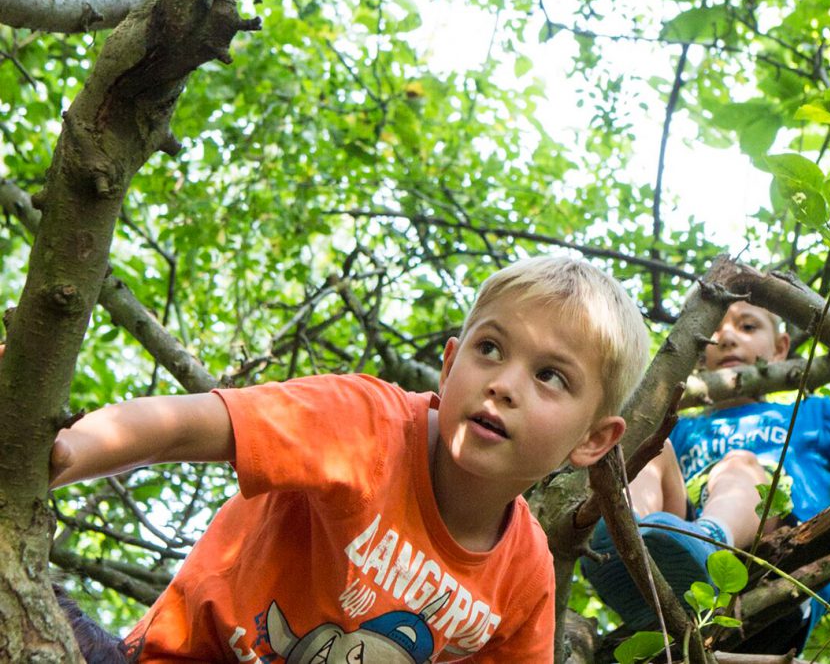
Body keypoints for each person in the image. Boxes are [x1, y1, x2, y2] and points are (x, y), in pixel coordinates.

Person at [39, 255, 650, 662]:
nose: (505, 384)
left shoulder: (525, 574)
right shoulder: (366, 425)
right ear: (449, 364)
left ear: (593, 441)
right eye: (490, 349)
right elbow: (180, 427)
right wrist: (59, 452)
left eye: (550, 376)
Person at [582, 300, 830, 653]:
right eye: (715, 332)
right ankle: (627, 540)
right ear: (700, 358)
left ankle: (709, 542)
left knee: (741, 467)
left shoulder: (812, 416)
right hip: (681, 578)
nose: (727, 337)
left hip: (777, 577)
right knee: (644, 444)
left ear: (780, 349)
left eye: (747, 326)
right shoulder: (678, 428)